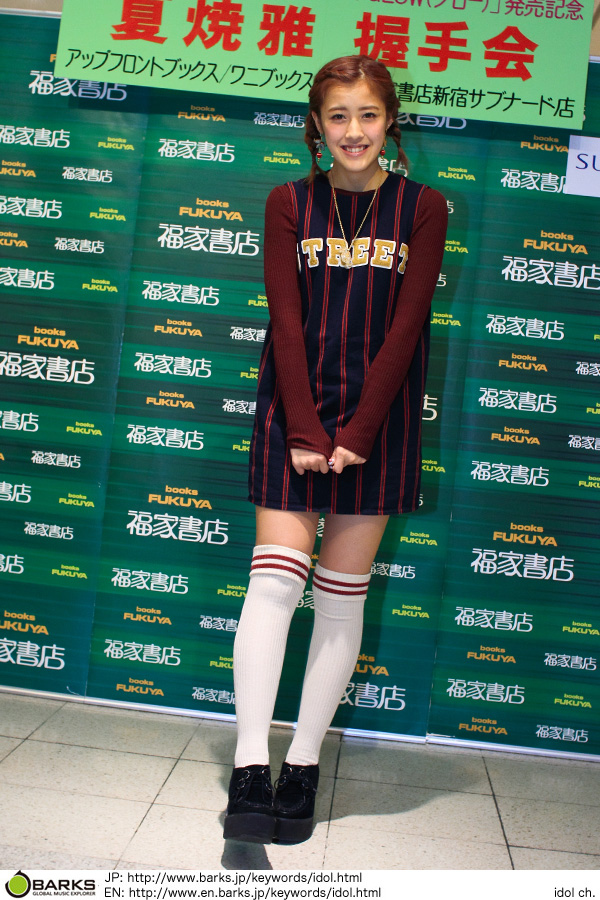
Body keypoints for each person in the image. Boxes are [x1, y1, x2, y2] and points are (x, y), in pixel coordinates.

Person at [223, 54, 448, 846]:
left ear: (391, 122)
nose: (354, 131)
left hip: (379, 424)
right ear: (316, 126)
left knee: (341, 599)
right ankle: (251, 766)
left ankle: (304, 765)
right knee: (274, 588)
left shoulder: (424, 207)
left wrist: (357, 434)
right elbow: (286, 319)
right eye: (339, 116)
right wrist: (307, 430)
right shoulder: (289, 201)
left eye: (368, 115)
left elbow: (407, 328)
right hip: (294, 411)